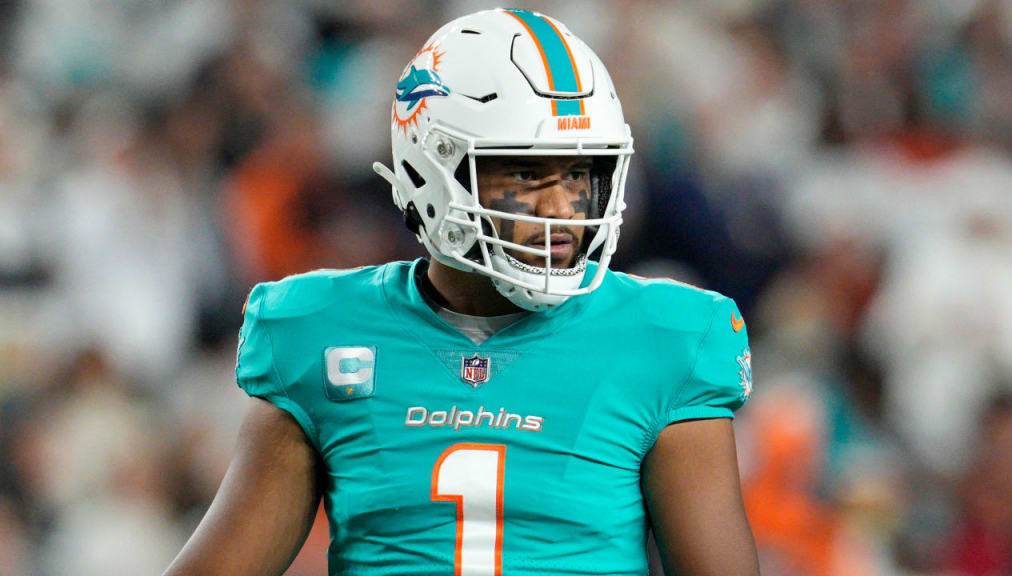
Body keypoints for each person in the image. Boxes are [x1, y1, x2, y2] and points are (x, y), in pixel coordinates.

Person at [164, 8, 759, 576]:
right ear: (430, 170)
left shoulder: (666, 340)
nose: (561, 208)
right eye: (525, 173)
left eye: (579, 173)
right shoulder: (322, 333)